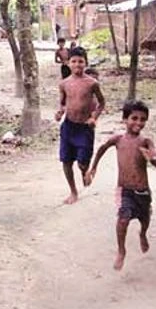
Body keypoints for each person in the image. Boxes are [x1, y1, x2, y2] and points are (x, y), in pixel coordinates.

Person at [85, 100, 156, 271]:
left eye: (143, 119)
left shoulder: (146, 141)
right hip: (124, 190)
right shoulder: (118, 140)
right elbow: (102, 148)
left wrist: (152, 158)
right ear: (125, 119)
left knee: (145, 218)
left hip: (143, 191)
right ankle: (121, 251)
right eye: (134, 118)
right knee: (123, 219)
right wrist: (93, 168)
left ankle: (142, 234)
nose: (138, 123)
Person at [54, 47, 106, 205]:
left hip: (85, 128)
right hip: (68, 127)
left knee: (82, 162)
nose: (77, 64)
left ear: (86, 63)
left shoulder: (92, 83)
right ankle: (73, 191)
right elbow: (63, 103)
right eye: (74, 61)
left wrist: (94, 117)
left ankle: (85, 170)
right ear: (68, 63)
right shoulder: (64, 84)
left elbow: (102, 103)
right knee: (66, 161)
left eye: (81, 61)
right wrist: (60, 112)